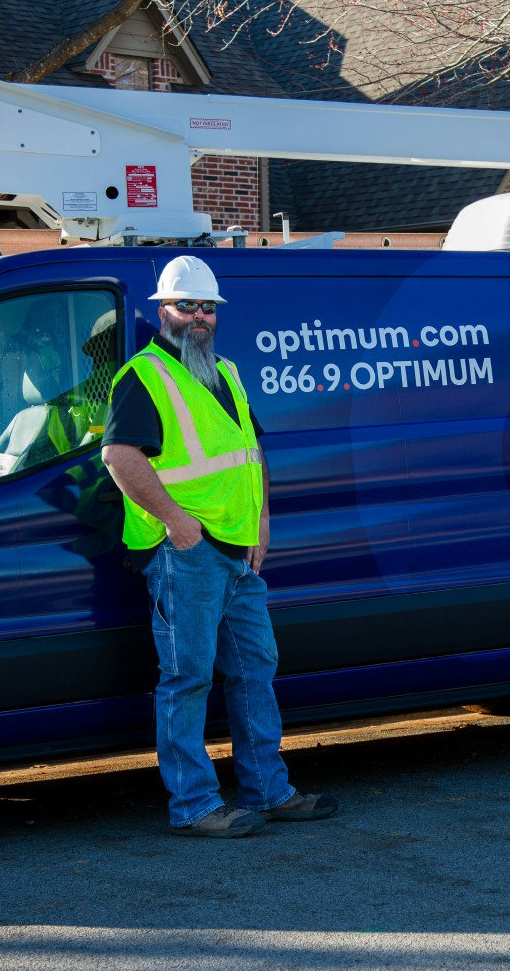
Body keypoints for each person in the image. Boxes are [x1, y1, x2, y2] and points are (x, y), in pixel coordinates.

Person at [102, 255, 338, 836]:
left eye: (208, 307)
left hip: (238, 550)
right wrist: (177, 522)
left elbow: (250, 454)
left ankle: (267, 790)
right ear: (164, 310)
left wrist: (260, 522)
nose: (200, 316)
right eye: (188, 306)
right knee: (188, 680)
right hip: (187, 554)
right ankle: (195, 807)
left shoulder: (224, 371)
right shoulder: (144, 375)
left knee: (255, 669)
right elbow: (120, 456)